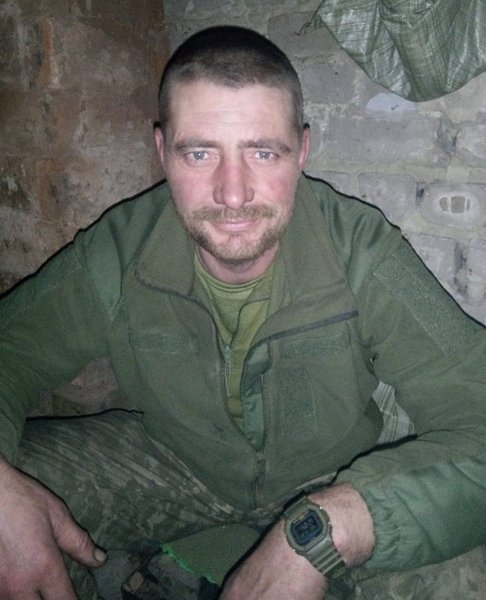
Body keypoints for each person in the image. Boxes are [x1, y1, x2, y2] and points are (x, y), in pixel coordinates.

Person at [1, 24, 486, 600]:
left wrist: (337, 527)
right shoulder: (119, 251)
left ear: (302, 152)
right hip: (174, 465)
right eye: (200, 153)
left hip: (327, 477)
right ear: (162, 151)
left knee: (462, 571)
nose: (233, 194)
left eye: (262, 152)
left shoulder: (362, 252)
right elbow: (11, 349)